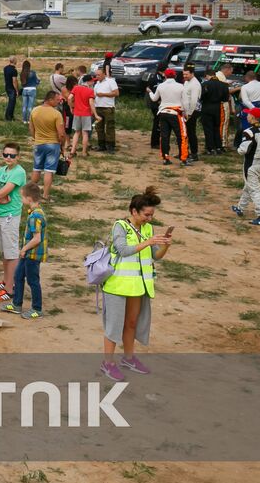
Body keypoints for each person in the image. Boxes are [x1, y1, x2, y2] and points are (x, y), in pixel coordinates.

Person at [100, 186, 173, 381]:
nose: (150, 218)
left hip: (138, 286)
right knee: (114, 327)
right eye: (146, 215)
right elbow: (123, 250)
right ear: (134, 211)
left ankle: (128, 358)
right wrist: (148, 242)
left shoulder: (148, 229)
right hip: (116, 285)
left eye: (152, 215)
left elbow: (156, 257)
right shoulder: (120, 226)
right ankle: (108, 363)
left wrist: (164, 246)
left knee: (131, 323)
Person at [0, 143, 27, 304]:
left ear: (18, 157)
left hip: (10, 215)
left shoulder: (19, 172)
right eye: (6, 155)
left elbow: (0, 191)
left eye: (12, 155)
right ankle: (5, 281)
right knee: (4, 252)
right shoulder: (1, 170)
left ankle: (10, 289)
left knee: (11, 253)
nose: (8, 158)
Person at [3, 184, 46, 319]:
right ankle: (17, 304)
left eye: (22, 197)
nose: (21, 199)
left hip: (32, 255)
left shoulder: (34, 217)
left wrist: (24, 249)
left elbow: (37, 238)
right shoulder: (36, 212)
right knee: (18, 276)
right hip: (27, 254)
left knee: (33, 281)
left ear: (28, 198)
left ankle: (37, 309)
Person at [233, 108, 260, 226]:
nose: (247, 116)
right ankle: (240, 207)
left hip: (251, 163)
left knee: (254, 189)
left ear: (252, 118)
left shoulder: (249, 132)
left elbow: (243, 150)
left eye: (248, 115)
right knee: (249, 185)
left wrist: (238, 149)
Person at [28, 90, 66, 199]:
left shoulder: (34, 111)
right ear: (50, 100)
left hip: (39, 144)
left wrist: (36, 138)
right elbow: (62, 134)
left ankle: (29, 192)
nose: (58, 102)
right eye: (56, 100)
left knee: (36, 168)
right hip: (52, 145)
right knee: (49, 171)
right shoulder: (56, 114)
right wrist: (62, 146)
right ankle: (45, 195)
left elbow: (31, 128)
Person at [149, 69, 189, 166]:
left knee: (164, 136)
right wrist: (186, 113)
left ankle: (165, 158)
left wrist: (150, 92)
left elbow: (154, 98)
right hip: (176, 113)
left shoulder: (161, 86)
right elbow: (185, 102)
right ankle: (183, 158)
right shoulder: (180, 86)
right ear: (175, 76)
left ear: (165, 76)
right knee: (181, 136)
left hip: (163, 112)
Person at [199, 67, 229, 155]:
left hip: (207, 107)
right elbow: (226, 98)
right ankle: (218, 147)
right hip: (217, 108)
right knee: (216, 128)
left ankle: (210, 148)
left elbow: (201, 97)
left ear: (208, 76)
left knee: (208, 129)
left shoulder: (205, 84)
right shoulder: (223, 85)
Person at [69, 73, 97, 158]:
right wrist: (95, 114)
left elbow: (70, 98)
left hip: (77, 112)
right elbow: (91, 103)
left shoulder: (76, 88)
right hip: (86, 113)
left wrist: (71, 107)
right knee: (85, 133)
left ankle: (73, 151)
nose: (93, 83)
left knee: (77, 132)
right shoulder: (90, 91)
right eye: (92, 81)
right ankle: (84, 152)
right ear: (88, 82)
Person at [93, 64, 119, 153]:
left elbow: (116, 93)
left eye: (98, 75)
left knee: (110, 127)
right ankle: (101, 144)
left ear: (104, 74)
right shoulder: (96, 84)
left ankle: (111, 146)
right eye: (96, 75)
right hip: (98, 107)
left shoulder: (110, 81)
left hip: (108, 107)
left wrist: (103, 94)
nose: (97, 77)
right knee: (99, 127)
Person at [181, 65, 203, 163]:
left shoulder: (195, 84)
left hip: (192, 111)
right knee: (185, 132)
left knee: (191, 132)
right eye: (183, 74)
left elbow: (194, 101)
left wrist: (189, 113)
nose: (184, 76)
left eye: (186, 74)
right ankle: (185, 151)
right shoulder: (186, 82)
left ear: (192, 73)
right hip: (186, 110)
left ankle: (194, 154)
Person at [2, 56, 19, 121]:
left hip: (7, 87)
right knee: (12, 103)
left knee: (11, 102)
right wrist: (17, 90)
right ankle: (8, 117)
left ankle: (10, 116)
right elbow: (14, 81)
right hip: (12, 88)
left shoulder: (5, 68)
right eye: (16, 60)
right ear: (14, 61)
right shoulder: (14, 70)